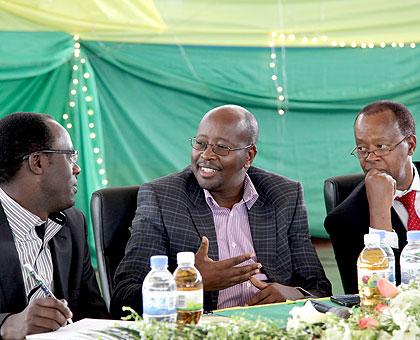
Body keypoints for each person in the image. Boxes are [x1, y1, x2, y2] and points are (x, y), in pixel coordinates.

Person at [111, 104, 331, 317]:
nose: (206, 155)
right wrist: (192, 283)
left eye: (221, 147)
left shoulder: (284, 195)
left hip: (276, 326)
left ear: (249, 156)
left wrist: (293, 294)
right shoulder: (163, 198)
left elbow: (319, 288)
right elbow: (123, 296)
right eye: (200, 143)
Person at [0, 112, 108, 339]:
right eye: (70, 156)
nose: (76, 168)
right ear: (37, 162)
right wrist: (8, 325)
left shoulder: (73, 223)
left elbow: (95, 315)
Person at [324, 100, 417, 293]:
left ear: (410, 145)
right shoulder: (344, 220)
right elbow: (372, 295)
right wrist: (379, 214)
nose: (370, 158)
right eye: (361, 149)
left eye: (381, 146)